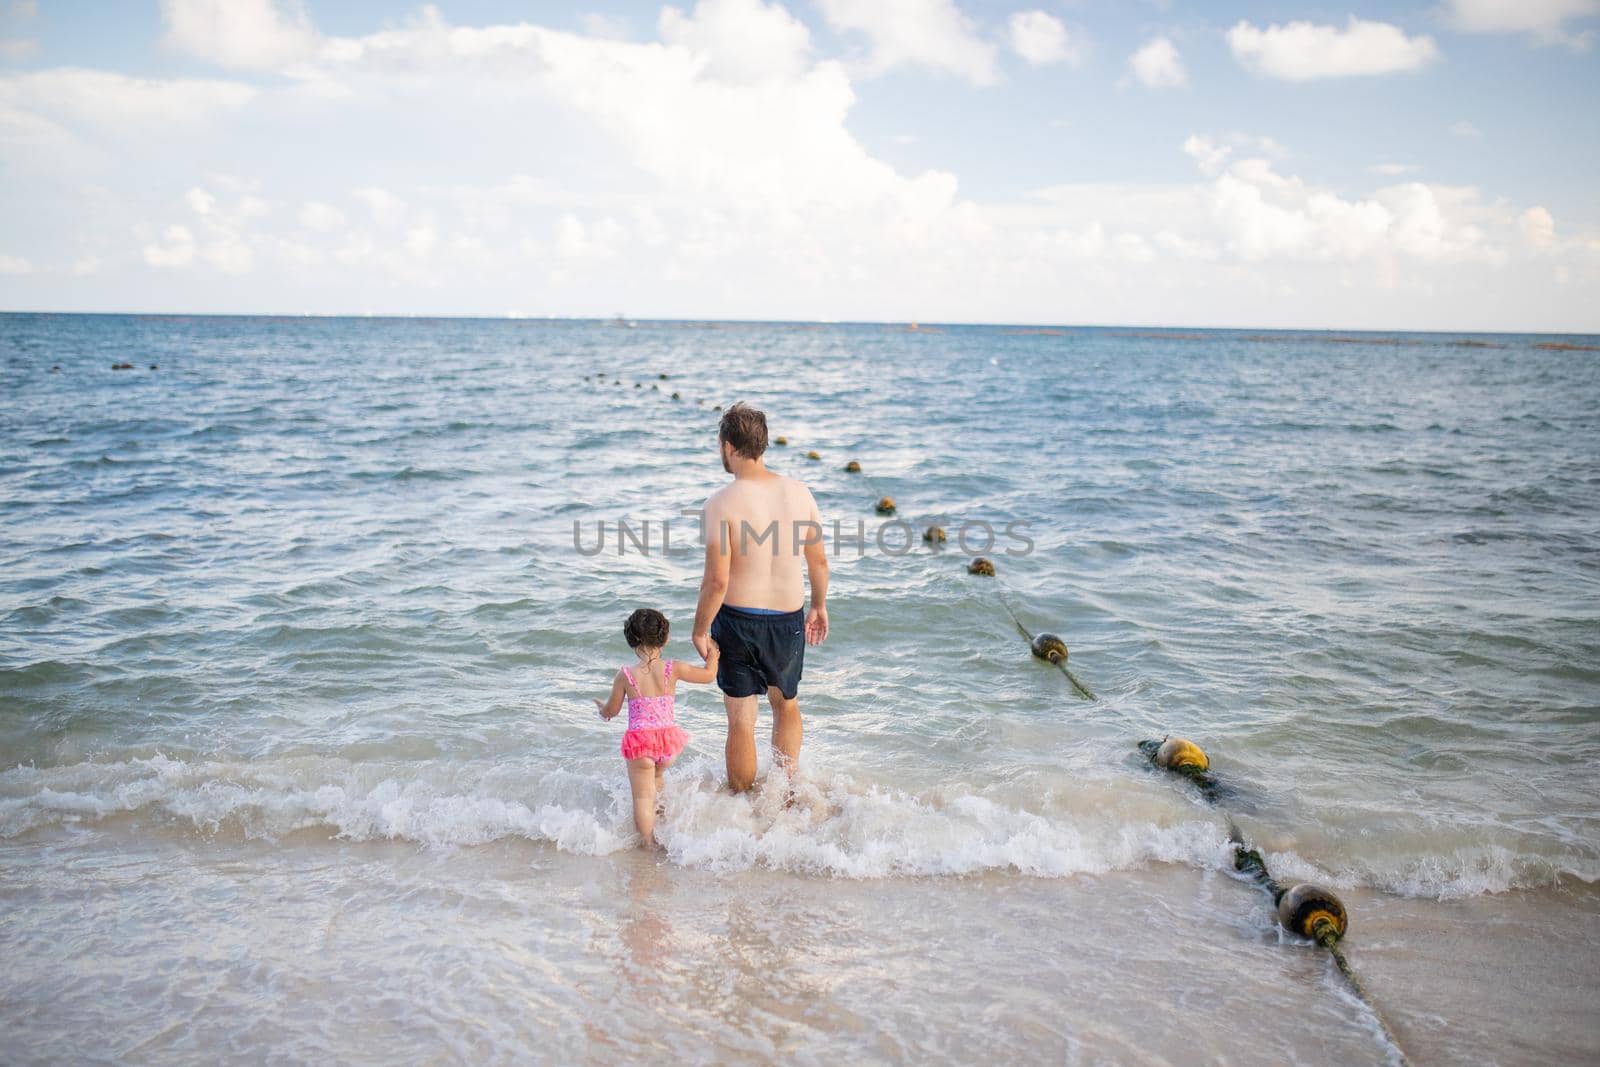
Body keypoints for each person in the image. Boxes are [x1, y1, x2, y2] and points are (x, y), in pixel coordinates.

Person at [691, 403, 829, 793]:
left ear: (728, 447)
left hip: (737, 620)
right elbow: (817, 559)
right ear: (763, 445)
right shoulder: (800, 494)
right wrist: (818, 605)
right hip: (786, 619)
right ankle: (783, 795)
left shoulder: (721, 503)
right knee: (785, 704)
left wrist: (700, 630)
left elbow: (717, 581)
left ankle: (741, 806)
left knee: (740, 720)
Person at [594, 608, 719, 848]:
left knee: (642, 797)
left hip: (641, 743)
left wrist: (602, 710)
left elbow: (612, 711)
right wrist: (713, 653)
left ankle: (649, 844)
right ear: (666, 637)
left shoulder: (626, 675)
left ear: (632, 638)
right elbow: (708, 675)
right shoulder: (673, 668)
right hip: (667, 743)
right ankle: (663, 822)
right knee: (657, 776)